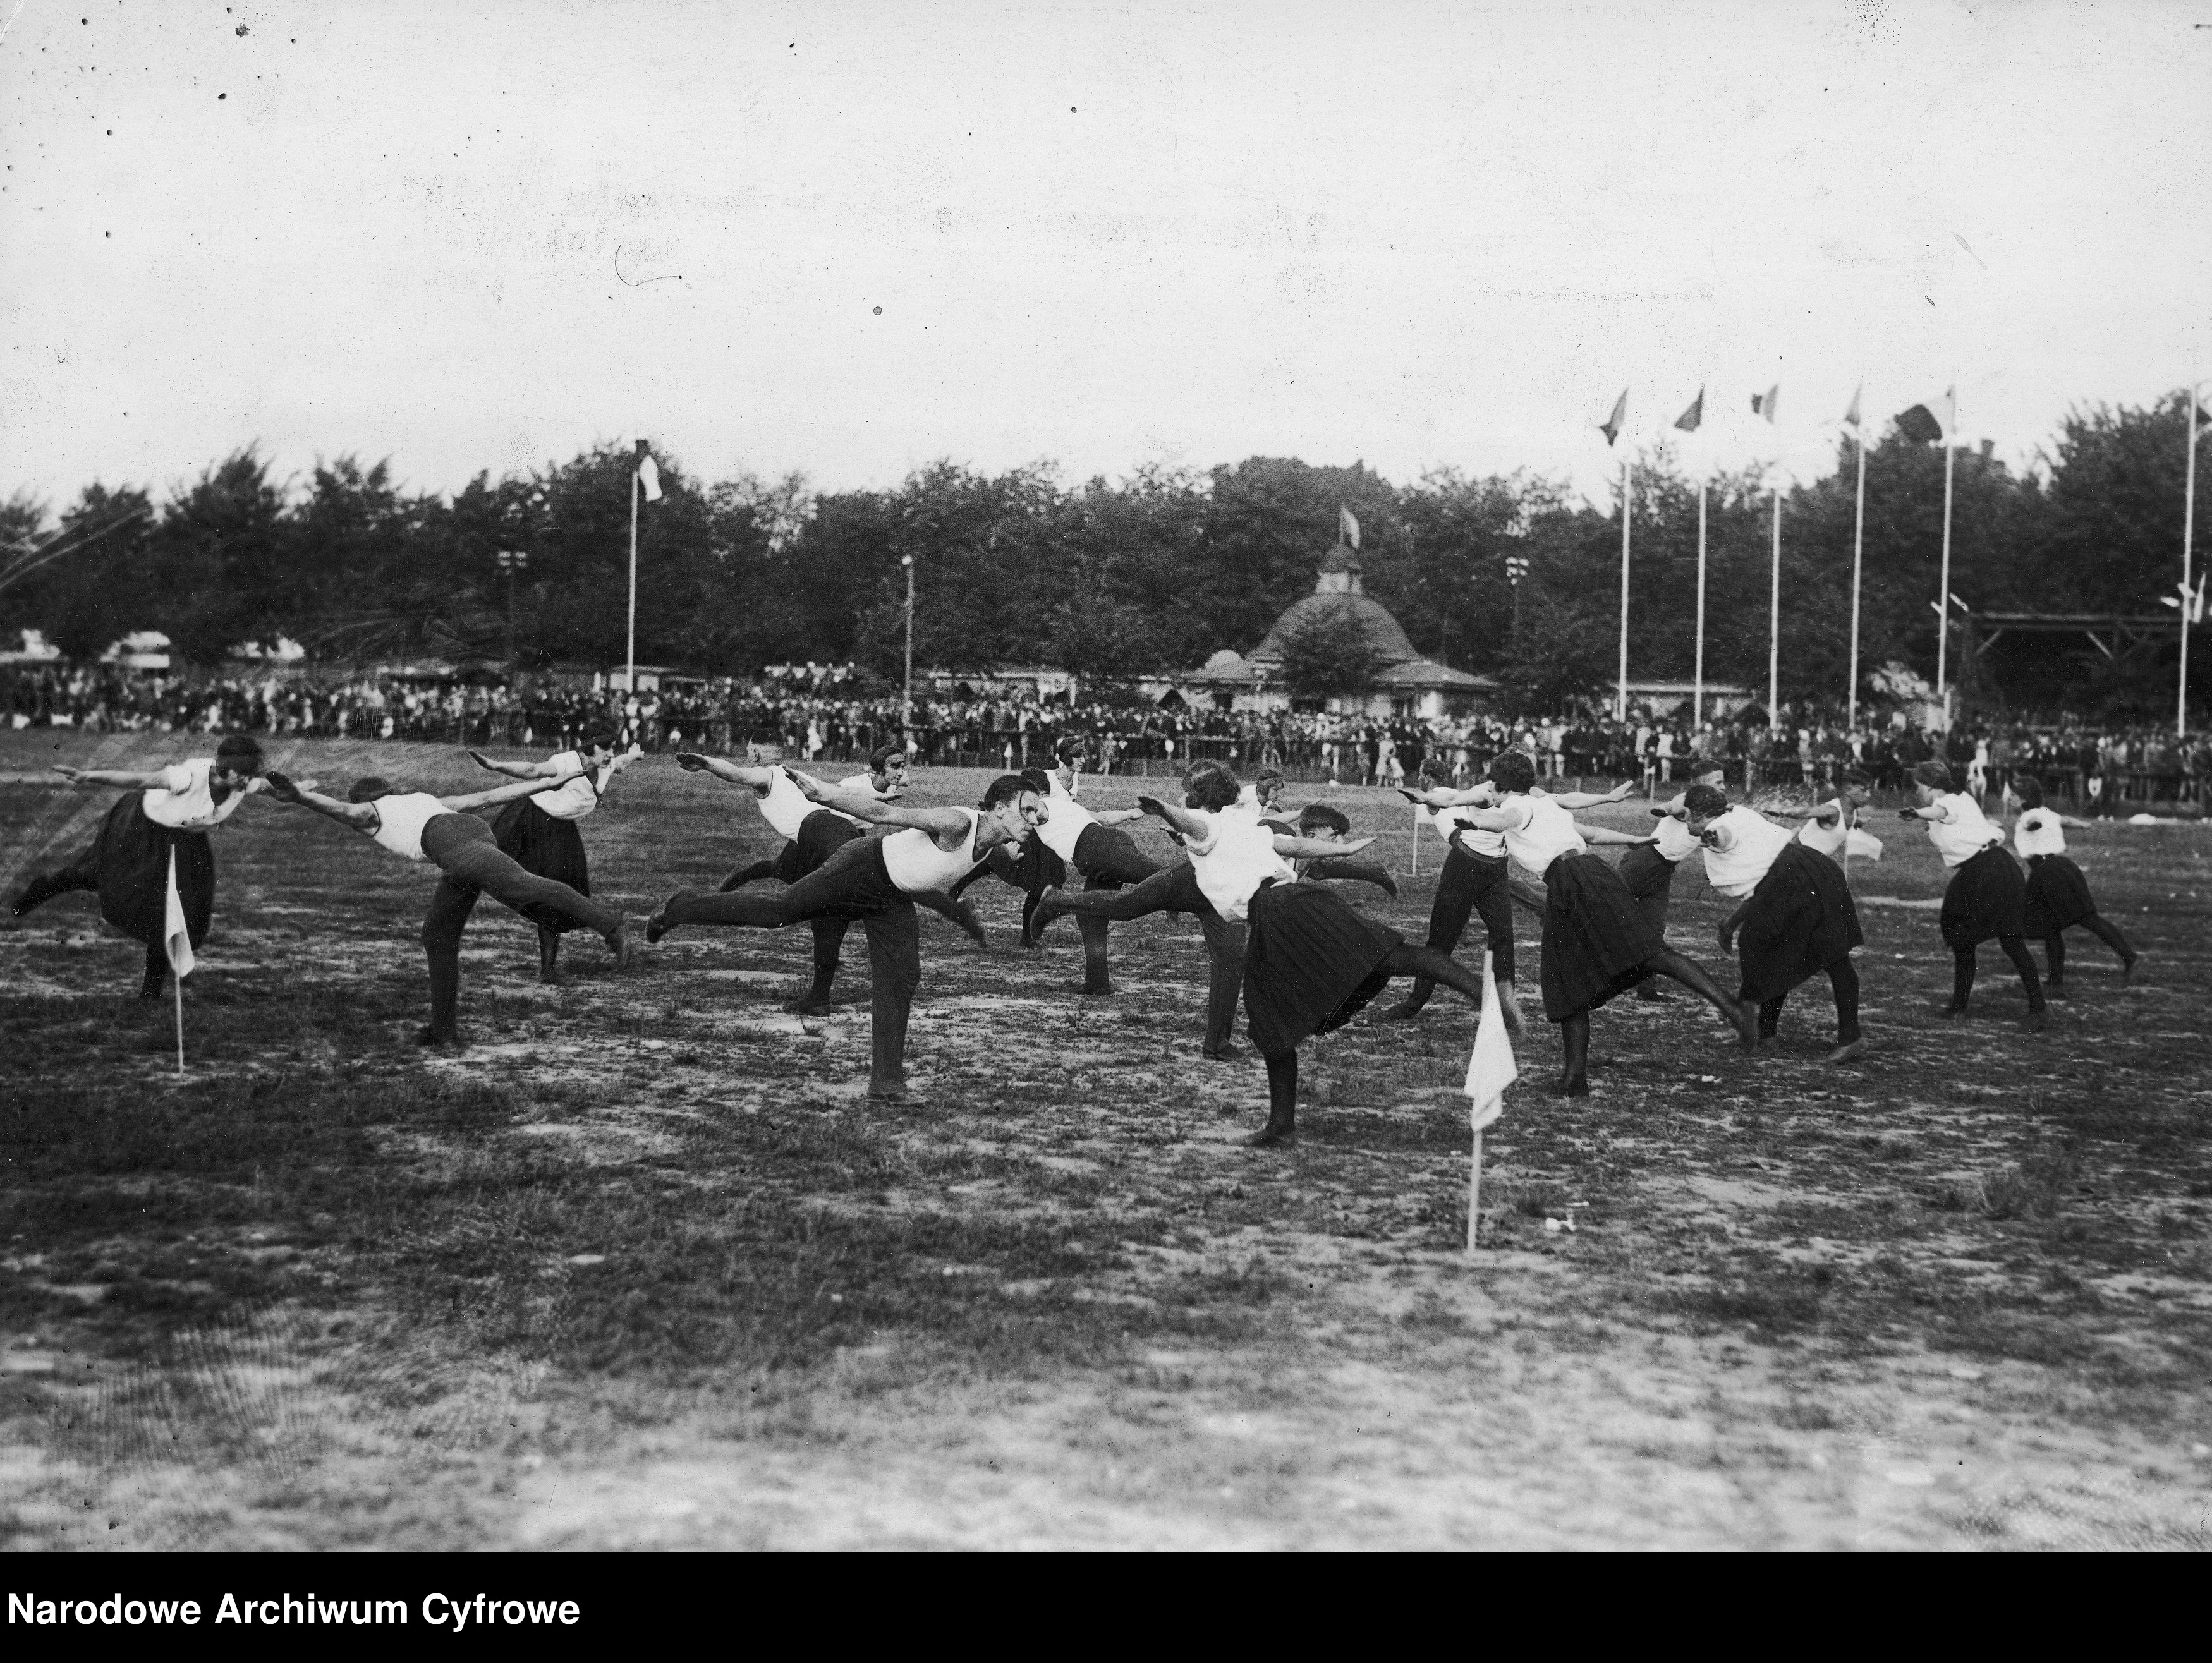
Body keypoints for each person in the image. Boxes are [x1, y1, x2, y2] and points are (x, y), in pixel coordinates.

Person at [1114, 761, 1500, 1148]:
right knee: (1390, 958)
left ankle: (1282, 1126)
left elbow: (1190, 823)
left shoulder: (1206, 824)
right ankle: (1481, 993)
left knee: (1271, 1019)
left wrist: (1165, 809)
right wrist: (1342, 848)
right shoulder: (1243, 823)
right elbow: (1295, 845)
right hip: (1299, 900)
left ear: (1196, 799)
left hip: (1275, 914)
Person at [645, 773, 1024, 1104]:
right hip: (861, 866)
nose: (1036, 819)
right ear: (1000, 809)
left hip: (890, 897)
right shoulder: (956, 822)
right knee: (778, 912)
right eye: (1028, 809)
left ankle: (886, 1085)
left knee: (902, 977)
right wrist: (825, 794)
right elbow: (885, 815)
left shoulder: (993, 845)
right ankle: (682, 907)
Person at [1435, 751, 1758, 1096]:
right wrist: (1633, 840)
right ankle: (1576, 1079)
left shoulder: (1517, 807)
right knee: (1640, 956)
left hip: (1571, 883)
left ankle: (1577, 1078)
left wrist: (1477, 823)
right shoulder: (1544, 806)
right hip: (1590, 875)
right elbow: (1590, 834)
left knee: (1578, 979)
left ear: (1498, 788)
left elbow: (1502, 821)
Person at [258, 765, 638, 1046]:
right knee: (437, 934)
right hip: (462, 838)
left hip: (455, 845)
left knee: (525, 886)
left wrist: (301, 796)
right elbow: (488, 798)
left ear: (365, 800)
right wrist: (547, 782)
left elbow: (337, 809)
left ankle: (611, 925)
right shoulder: (421, 799)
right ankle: (442, 1031)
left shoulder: (369, 811)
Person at [675, 748, 973, 1012]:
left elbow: (736, 773)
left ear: (755, 755)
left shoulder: (769, 775)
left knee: (790, 907)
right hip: (835, 839)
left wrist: (705, 763)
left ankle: (683, 907)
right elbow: (841, 793)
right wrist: (706, 763)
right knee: (834, 908)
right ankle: (819, 997)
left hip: (826, 836)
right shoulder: (794, 776)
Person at [10, 734, 273, 998]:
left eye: (250, 775)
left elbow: (272, 788)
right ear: (224, 767)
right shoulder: (188, 776)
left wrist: (298, 792)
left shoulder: (242, 782)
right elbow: (139, 780)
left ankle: (151, 993)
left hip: (185, 841)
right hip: (143, 829)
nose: (246, 782)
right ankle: (43, 889)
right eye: (242, 774)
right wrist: (88, 775)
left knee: (177, 910)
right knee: (97, 875)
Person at [1380, 768, 1634, 1031]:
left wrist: (1607, 798)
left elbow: (1566, 799)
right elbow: (1448, 801)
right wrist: (1424, 798)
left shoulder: (1526, 796)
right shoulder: (1488, 790)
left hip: (1496, 870)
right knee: (1442, 940)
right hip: (1464, 867)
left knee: (1504, 937)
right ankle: (1414, 1002)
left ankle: (1507, 1008)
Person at [1683, 783, 1866, 1063]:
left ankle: (1850, 1039)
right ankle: (1765, 1031)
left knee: (1833, 957)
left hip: (1800, 878)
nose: (1685, 821)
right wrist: (1731, 925)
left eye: (1687, 814)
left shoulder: (1720, 826)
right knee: (1766, 948)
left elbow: (1721, 835)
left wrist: (1711, 836)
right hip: (1801, 873)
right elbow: (1762, 890)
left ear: (1697, 813)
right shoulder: (1737, 812)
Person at [463, 729, 641, 984]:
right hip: (529, 822)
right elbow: (533, 771)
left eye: (612, 747)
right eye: (604, 749)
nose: (610, 755)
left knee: (564, 891)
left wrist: (633, 756)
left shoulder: (605, 765)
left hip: (559, 827)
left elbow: (620, 764)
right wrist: (495, 765)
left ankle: (560, 963)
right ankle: (611, 929)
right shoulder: (566, 761)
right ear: (587, 750)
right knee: (512, 879)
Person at [1900, 760, 2048, 1031]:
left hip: (1990, 869)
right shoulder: (1958, 804)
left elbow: (1941, 811)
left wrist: (1918, 813)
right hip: (1981, 869)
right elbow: (1957, 823)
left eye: (1920, 786)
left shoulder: (1952, 801)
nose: (1917, 790)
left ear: (1931, 786)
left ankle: (2038, 1010)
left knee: (2010, 941)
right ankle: (1959, 1006)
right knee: (1961, 934)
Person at [2011, 777, 2137, 993]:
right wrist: (2085, 825)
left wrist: (2034, 824)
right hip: (2058, 868)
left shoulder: (2029, 816)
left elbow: (2032, 821)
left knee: (2082, 920)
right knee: (2055, 925)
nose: (2010, 798)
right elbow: (2066, 820)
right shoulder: (2047, 812)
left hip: (2047, 872)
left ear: (2023, 799)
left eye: (2013, 795)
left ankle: (2130, 957)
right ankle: (2055, 980)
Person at [1620, 764, 1726, 1001]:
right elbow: (1674, 806)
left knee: (1654, 929)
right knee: (1601, 911)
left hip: (1664, 871)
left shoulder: (1714, 807)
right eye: (1717, 782)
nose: (1722, 786)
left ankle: (1646, 989)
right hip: (1644, 862)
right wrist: (1663, 809)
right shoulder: (1687, 798)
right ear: (1700, 783)